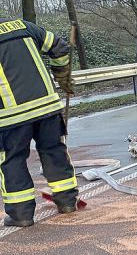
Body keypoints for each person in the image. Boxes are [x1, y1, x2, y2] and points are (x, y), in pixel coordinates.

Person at [0, 17, 78, 227]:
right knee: (54, 150)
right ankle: (68, 202)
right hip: (48, 107)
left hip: (11, 116)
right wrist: (62, 75)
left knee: (12, 160)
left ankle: (21, 214)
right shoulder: (22, 26)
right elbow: (59, 46)